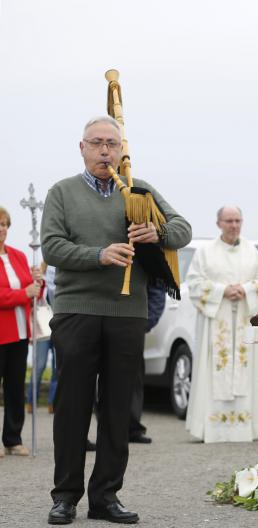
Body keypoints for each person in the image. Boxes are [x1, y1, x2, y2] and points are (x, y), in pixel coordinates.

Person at [41, 116, 191, 525]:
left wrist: (156, 233)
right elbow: (52, 247)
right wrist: (98, 255)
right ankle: (65, 497)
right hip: (77, 312)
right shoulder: (62, 192)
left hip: (127, 313)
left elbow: (183, 229)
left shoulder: (140, 191)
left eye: (112, 144)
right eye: (97, 143)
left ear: (122, 149)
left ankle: (105, 497)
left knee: (117, 408)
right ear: (82, 147)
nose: (105, 151)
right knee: (73, 406)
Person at [185, 206, 258, 443]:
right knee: (214, 366)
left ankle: (244, 429)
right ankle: (211, 428)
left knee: (244, 366)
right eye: (229, 221)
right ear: (218, 223)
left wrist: (246, 289)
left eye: (238, 220)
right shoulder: (205, 251)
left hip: (243, 316)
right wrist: (222, 290)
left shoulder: (252, 251)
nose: (234, 225)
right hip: (216, 320)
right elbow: (194, 282)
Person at [0, 205, 42, 459]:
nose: (2, 229)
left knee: (16, 387)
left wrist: (38, 282)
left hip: (19, 334)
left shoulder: (18, 256)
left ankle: (12, 439)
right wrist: (22, 294)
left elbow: (33, 292)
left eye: (4, 225)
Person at [127, 281, 166, 445]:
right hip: (101, 318)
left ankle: (132, 428)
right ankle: (106, 429)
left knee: (133, 378)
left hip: (133, 321)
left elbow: (157, 288)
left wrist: (146, 321)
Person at [27, 261, 57, 415]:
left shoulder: (63, 278)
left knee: (58, 368)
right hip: (43, 327)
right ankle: (31, 401)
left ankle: (53, 403)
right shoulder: (40, 278)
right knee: (39, 366)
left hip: (59, 327)